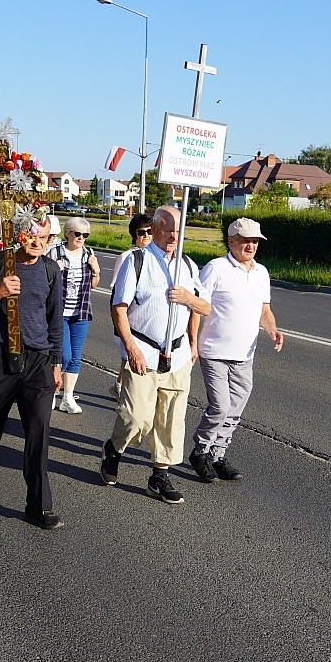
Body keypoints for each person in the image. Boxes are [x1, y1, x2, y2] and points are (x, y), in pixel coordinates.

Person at [99, 205, 211, 505]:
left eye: (179, 230)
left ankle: (159, 476)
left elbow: (204, 308)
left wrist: (188, 302)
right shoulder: (137, 261)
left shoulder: (187, 266)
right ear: (156, 227)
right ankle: (114, 448)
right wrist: (131, 348)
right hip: (143, 351)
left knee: (171, 420)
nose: (174, 236)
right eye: (169, 229)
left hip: (178, 355)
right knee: (136, 418)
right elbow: (118, 308)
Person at [0, 216, 65, 531]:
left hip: (37, 360)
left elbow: (55, 318)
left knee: (39, 431)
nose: (38, 243)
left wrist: (57, 362)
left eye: (44, 239)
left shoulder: (50, 271)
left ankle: (38, 507)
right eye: (33, 236)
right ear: (20, 235)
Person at [189, 218, 284, 483]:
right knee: (219, 407)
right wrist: (193, 341)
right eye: (245, 240)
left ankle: (217, 455)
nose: (251, 246)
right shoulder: (216, 268)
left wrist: (273, 330)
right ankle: (200, 452)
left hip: (245, 355)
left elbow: (264, 311)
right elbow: (198, 305)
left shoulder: (261, 273)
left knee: (235, 411)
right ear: (231, 241)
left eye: (255, 241)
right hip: (215, 351)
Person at [48, 217, 101, 414]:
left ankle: (68, 397)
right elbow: (45, 281)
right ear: (67, 233)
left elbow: (93, 285)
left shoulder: (89, 253)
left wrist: (95, 271)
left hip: (81, 311)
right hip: (59, 312)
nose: (81, 238)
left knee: (75, 357)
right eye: (77, 233)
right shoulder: (55, 252)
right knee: (64, 354)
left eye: (85, 235)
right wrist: (55, 270)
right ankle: (52, 390)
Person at [108, 212, 154, 398]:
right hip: (130, 318)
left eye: (150, 231)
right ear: (134, 235)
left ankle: (120, 385)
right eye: (141, 232)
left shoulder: (155, 256)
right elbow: (117, 294)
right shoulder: (128, 257)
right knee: (129, 357)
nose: (146, 236)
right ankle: (123, 390)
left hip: (148, 320)